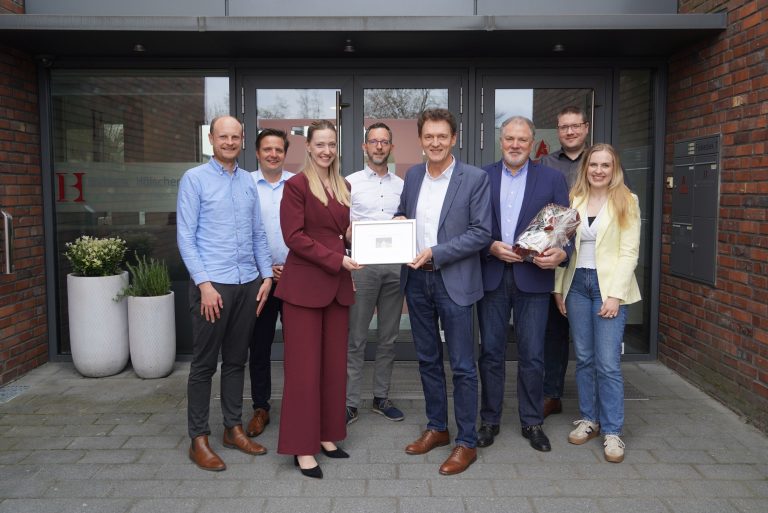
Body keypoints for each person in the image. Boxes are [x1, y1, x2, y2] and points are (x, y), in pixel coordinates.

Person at [395, 108, 491, 476]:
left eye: (442, 136)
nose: (435, 143)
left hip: (455, 281)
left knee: (464, 366)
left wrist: (437, 252)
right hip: (417, 282)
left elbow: (481, 232)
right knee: (427, 360)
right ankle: (437, 427)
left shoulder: (474, 178)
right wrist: (395, 226)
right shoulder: (414, 174)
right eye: (428, 136)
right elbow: (404, 215)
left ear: (454, 139)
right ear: (420, 140)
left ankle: (466, 442)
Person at [177, 115, 274, 471]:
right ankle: (198, 439)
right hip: (212, 286)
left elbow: (258, 235)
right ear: (211, 139)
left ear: (242, 140)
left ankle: (233, 428)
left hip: (248, 283)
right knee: (204, 365)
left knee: (236, 361)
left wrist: (266, 277)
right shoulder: (194, 180)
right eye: (223, 136)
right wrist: (203, 284)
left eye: (235, 137)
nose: (229, 142)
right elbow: (185, 238)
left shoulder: (249, 182)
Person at [477, 116, 570, 451]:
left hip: (534, 277)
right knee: (490, 352)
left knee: (533, 354)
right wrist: (489, 245)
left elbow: (564, 231)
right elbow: (470, 226)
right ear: (501, 141)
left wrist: (561, 253)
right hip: (492, 276)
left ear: (532, 143)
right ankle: (489, 420)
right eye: (509, 139)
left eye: (522, 140)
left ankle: (532, 422)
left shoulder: (552, 178)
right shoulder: (481, 178)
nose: (515, 145)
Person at [275, 120, 361, 479]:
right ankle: (301, 447)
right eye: (320, 144)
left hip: (337, 288)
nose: (326, 150)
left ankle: (327, 435)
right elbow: (293, 237)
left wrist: (357, 237)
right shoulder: (295, 186)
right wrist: (336, 258)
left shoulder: (344, 186)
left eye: (331, 144)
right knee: (304, 371)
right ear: (308, 147)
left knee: (331, 367)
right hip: (304, 289)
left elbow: (340, 232)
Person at [553, 143, 641, 464]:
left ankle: (613, 431)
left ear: (614, 169)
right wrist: (558, 289)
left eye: (605, 165)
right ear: (586, 168)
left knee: (607, 363)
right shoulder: (573, 200)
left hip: (608, 289)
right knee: (586, 359)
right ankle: (589, 419)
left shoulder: (627, 201)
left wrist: (615, 295)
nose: (599, 171)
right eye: (594, 165)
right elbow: (562, 246)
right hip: (576, 285)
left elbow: (629, 252)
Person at [345, 122, 406, 425]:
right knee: (356, 338)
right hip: (362, 268)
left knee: (388, 337)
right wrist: (348, 233)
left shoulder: (402, 185)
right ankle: (349, 402)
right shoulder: (349, 183)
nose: (379, 146)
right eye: (374, 141)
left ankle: (381, 397)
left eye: (384, 142)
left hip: (396, 267)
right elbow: (339, 229)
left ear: (391, 147)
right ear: (364, 147)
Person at [539, 106, 591, 418]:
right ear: (557, 131)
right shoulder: (545, 162)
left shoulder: (600, 160)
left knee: (589, 336)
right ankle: (552, 393)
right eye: (563, 127)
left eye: (575, 126)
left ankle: (593, 401)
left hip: (592, 255)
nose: (569, 132)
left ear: (585, 128)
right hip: (555, 255)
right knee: (554, 331)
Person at [246, 128, 294, 437]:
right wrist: (266, 269)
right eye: (267, 149)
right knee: (259, 346)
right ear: (257, 152)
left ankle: (295, 405)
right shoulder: (245, 184)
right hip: (258, 280)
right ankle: (260, 406)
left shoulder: (298, 185)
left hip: (295, 279)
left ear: (285, 153)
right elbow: (241, 231)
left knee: (298, 348)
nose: (273, 154)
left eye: (278, 149)